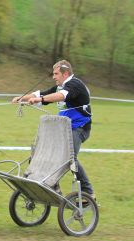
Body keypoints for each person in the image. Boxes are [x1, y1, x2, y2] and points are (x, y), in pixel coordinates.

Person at [11, 59, 95, 199]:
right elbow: (39, 94)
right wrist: (21, 98)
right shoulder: (60, 87)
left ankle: (88, 192)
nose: (53, 76)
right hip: (64, 130)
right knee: (46, 152)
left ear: (65, 73)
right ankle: (49, 183)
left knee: (69, 158)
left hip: (79, 128)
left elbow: (60, 96)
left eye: (56, 74)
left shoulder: (75, 84)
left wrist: (40, 100)